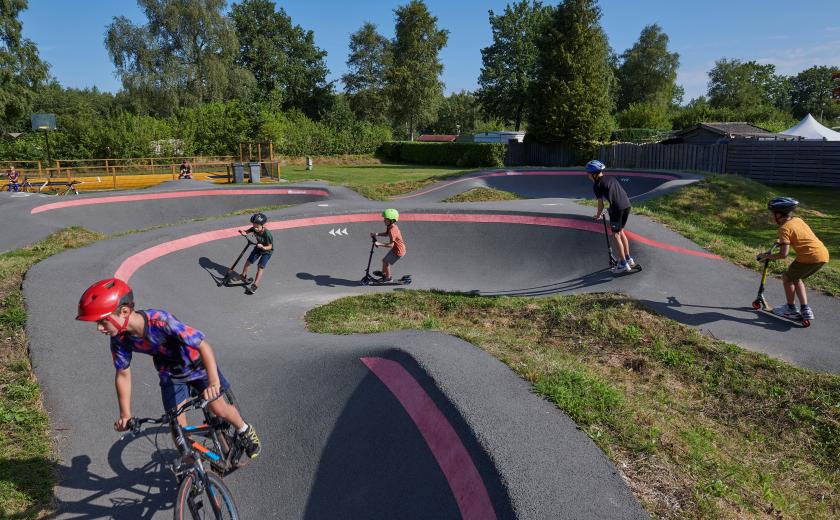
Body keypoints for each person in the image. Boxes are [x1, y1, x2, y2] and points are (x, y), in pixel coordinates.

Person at [76, 278, 261, 458]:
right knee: (177, 428)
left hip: (197, 367)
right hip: (170, 374)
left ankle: (245, 429)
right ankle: (191, 470)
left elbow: (203, 345)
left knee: (219, 409)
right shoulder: (119, 339)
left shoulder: (160, 321)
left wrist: (213, 382)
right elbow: (123, 373)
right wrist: (125, 414)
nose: (99, 328)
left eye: (103, 321)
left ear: (124, 311)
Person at [756, 197, 829, 320]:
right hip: (822, 254)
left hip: (809, 256)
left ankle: (790, 308)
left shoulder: (783, 228)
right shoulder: (798, 220)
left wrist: (765, 256)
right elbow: (799, 235)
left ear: (779, 214)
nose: (771, 217)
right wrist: (783, 241)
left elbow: (783, 254)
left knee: (787, 278)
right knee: (796, 277)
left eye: (772, 214)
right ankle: (805, 309)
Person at [586, 160, 635, 273]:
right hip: (626, 205)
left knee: (616, 235)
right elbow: (616, 194)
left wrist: (598, 215)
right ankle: (629, 259)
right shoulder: (611, 178)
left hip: (617, 208)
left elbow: (600, 203)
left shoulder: (597, 185)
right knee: (621, 231)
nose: (587, 175)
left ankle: (623, 264)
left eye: (588, 173)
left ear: (594, 174)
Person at [237, 213, 273, 295]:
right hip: (258, 247)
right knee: (248, 261)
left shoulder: (267, 234)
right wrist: (244, 232)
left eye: (257, 226)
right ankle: (243, 275)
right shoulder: (253, 228)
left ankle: (255, 285)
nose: (255, 228)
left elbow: (270, 247)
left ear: (262, 225)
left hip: (267, 251)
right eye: (254, 225)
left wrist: (263, 247)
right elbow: (247, 231)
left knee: (260, 267)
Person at [370, 208, 406, 282]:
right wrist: (376, 234)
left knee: (386, 262)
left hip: (399, 251)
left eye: (386, 219)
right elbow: (386, 234)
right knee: (384, 260)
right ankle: (384, 275)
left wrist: (379, 243)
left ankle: (388, 278)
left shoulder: (393, 230)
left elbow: (390, 245)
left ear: (391, 220)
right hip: (396, 249)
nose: (384, 220)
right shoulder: (390, 226)